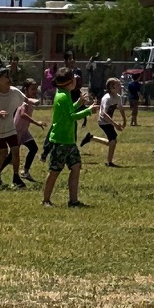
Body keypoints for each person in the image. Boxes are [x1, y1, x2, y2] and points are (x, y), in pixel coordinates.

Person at [42, 67, 92, 207]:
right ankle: (46, 200)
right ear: (70, 82)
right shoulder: (63, 96)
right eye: (74, 78)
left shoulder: (65, 94)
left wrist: (79, 104)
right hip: (60, 140)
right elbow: (71, 117)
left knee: (76, 166)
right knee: (54, 171)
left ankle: (73, 200)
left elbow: (69, 111)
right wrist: (88, 111)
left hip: (69, 140)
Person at [95, 78, 125, 167]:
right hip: (103, 122)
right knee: (113, 140)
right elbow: (104, 114)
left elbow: (121, 108)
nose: (120, 87)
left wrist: (125, 121)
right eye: (118, 85)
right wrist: (115, 124)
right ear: (112, 87)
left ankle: (91, 137)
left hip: (109, 122)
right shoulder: (107, 98)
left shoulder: (118, 97)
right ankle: (109, 162)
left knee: (112, 141)